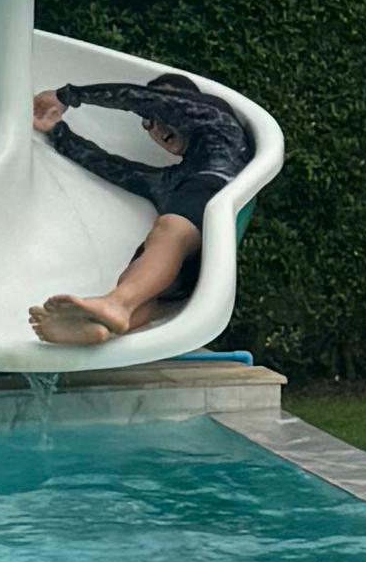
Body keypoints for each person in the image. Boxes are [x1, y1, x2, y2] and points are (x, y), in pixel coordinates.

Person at [25, 66, 255, 351]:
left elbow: (143, 99)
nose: (157, 125)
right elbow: (115, 168)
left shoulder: (221, 129)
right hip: (184, 278)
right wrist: (57, 132)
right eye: (148, 122)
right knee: (142, 274)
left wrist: (67, 96)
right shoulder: (170, 181)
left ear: (188, 106)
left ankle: (116, 304)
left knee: (169, 228)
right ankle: (101, 328)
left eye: (162, 112)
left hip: (211, 224)